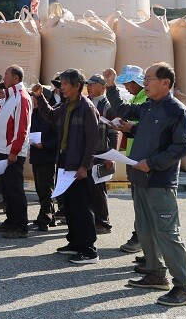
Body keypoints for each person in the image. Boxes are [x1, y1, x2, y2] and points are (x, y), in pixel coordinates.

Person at [104, 63, 186, 307]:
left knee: (167, 233)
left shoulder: (176, 109)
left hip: (158, 181)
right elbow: (123, 109)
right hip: (140, 180)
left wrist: (152, 163)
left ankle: (183, 288)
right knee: (145, 229)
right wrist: (111, 87)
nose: (145, 82)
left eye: (149, 78)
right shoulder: (149, 106)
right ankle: (155, 274)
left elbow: (182, 146)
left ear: (165, 82)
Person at [32, 69, 100, 264]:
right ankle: (75, 242)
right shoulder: (66, 105)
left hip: (78, 168)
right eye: (61, 84)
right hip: (64, 164)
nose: (62, 88)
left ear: (77, 86)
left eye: (65, 84)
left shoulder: (86, 108)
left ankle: (88, 251)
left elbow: (92, 141)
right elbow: (50, 116)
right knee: (69, 206)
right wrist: (40, 97)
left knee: (82, 208)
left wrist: (85, 167)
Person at [0, 65, 32, 239]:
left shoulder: (22, 97)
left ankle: (21, 226)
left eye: (7, 74)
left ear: (15, 78)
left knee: (15, 189)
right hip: (3, 149)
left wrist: (14, 151)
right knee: (7, 189)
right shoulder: (10, 96)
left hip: (12, 152)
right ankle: (11, 221)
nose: (4, 77)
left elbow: (22, 128)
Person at [111, 64, 148, 255]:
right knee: (139, 202)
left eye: (127, 83)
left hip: (142, 159)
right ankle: (143, 240)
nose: (126, 87)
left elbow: (146, 130)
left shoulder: (146, 100)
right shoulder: (136, 98)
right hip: (134, 157)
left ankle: (140, 238)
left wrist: (129, 127)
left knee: (143, 203)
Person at [85, 73, 119, 234]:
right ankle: (91, 220)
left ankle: (103, 223)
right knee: (87, 189)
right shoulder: (87, 102)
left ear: (103, 87)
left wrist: (110, 156)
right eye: (88, 84)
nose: (89, 87)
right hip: (87, 153)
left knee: (98, 190)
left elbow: (114, 132)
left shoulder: (107, 106)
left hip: (101, 154)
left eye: (92, 84)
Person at [27, 82, 60, 231]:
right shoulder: (34, 114)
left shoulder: (50, 115)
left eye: (35, 98)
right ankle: (50, 216)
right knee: (40, 188)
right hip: (36, 155)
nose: (33, 100)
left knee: (46, 189)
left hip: (47, 156)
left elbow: (58, 138)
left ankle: (45, 219)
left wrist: (44, 145)